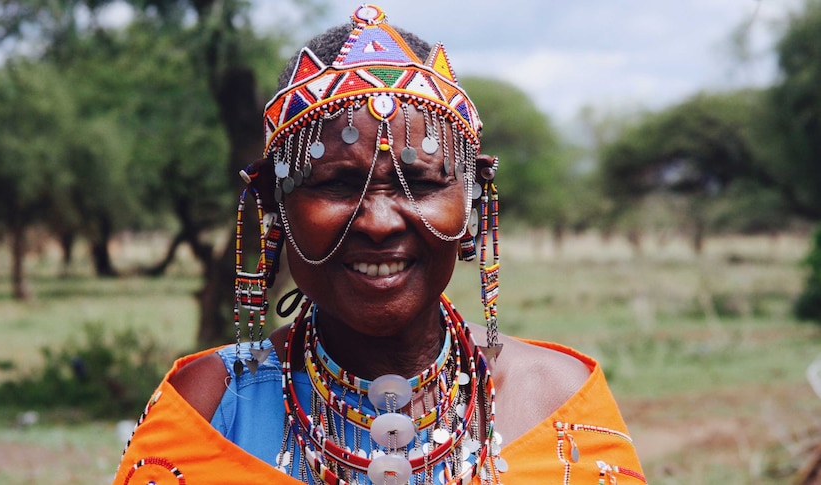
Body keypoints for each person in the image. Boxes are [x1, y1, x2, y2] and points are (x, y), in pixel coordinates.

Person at [112, 5, 646, 484]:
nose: (381, 221)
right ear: (277, 210)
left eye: (422, 183)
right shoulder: (211, 403)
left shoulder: (557, 400)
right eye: (338, 185)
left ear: (470, 209)